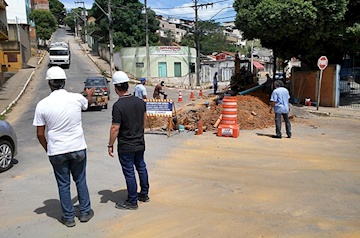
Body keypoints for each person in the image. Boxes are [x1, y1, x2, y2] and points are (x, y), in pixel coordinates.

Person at [33, 66, 94, 227]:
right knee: (80, 180)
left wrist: (49, 149)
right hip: (78, 147)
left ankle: (68, 218)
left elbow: (40, 134)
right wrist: (88, 95)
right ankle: (85, 212)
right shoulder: (75, 98)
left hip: (57, 151)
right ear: (64, 82)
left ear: (49, 83)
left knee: (63, 184)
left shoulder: (42, 105)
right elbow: (87, 104)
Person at [108, 71, 150, 210]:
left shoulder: (118, 106)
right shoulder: (139, 102)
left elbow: (115, 128)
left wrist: (110, 144)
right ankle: (144, 194)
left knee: (129, 172)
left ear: (116, 88)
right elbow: (144, 119)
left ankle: (132, 201)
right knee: (141, 167)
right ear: (127, 85)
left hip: (126, 145)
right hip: (139, 142)